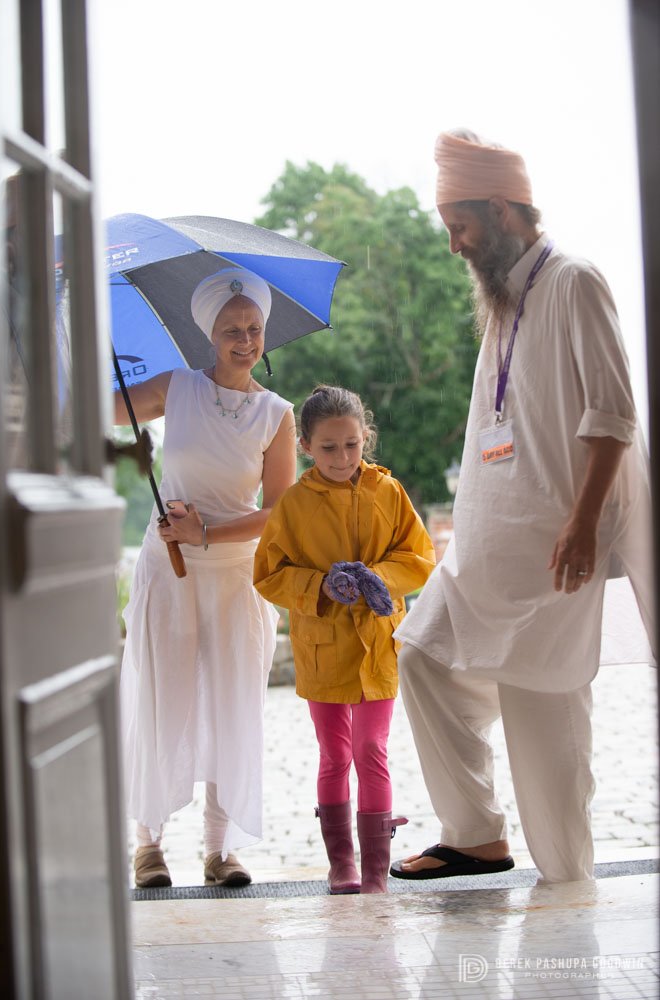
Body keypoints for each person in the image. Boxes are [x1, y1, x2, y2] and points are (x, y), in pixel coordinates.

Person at [390, 129, 655, 885]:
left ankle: (568, 893)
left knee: (548, 752)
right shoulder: (504, 305)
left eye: (460, 227)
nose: (452, 246)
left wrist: (580, 527)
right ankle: (473, 834)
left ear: (503, 210)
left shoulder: (573, 281)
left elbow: (614, 413)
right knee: (424, 657)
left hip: (553, 559)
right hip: (485, 562)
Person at [116, 267, 296, 888]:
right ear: (208, 335)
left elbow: (279, 512)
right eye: (230, 330)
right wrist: (93, 358)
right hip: (168, 571)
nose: (244, 340)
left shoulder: (277, 414)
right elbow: (106, 409)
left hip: (234, 575)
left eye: (252, 329)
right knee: (163, 695)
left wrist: (208, 534)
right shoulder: (177, 387)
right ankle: (149, 846)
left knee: (232, 703)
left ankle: (220, 852)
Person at [253, 386, 436, 893]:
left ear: (365, 438)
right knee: (335, 754)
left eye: (352, 445)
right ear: (307, 445)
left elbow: (419, 556)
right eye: (329, 447)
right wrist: (321, 586)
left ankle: (377, 869)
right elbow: (268, 573)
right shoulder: (292, 505)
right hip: (324, 647)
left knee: (371, 748)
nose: (342, 457)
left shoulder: (389, 492)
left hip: (379, 643)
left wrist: (380, 577)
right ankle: (342, 864)